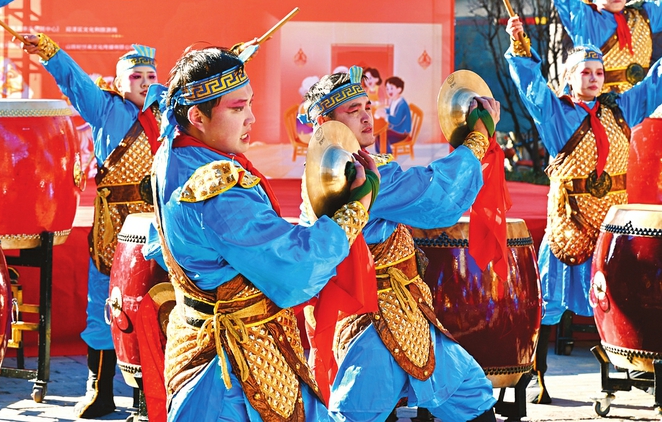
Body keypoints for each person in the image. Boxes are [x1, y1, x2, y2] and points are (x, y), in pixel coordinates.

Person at [151, 47, 373, 422]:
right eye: (238, 108)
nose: (251, 117)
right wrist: (355, 209)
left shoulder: (173, 154)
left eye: (250, 104)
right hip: (236, 368)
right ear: (196, 117)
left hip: (205, 347)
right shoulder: (216, 190)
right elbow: (296, 267)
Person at [300, 68, 499, 422]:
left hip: (392, 311)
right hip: (376, 320)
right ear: (325, 124)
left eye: (367, 107)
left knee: (469, 391)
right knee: (358, 413)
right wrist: (478, 138)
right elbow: (434, 195)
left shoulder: (321, 175)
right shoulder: (358, 174)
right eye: (353, 111)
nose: (366, 116)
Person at [505, 17, 662, 403]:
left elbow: (652, 85)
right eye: (585, 72)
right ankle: (536, 375)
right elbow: (531, 87)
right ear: (570, 77)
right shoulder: (556, 113)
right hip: (571, 224)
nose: (593, 78)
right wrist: (521, 46)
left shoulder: (619, 109)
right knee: (549, 304)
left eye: (598, 72)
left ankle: (626, 369)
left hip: (611, 227)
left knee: (620, 299)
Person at [19, 34, 160, 418]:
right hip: (112, 229)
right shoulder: (105, 108)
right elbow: (75, 81)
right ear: (118, 83)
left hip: (157, 227)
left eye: (151, 76)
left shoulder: (168, 114)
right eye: (135, 76)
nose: (145, 82)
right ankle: (99, 390)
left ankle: (149, 398)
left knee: (155, 306)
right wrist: (50, 51)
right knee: (104, 306)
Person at [380, 76, 411, 153]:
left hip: (402, 132)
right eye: (387, 89)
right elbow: (391, 111)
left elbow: (396, 120)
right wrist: (384, 110)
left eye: (391, 88)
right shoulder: (394, 100)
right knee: (380, 136)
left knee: (383, 137)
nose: (389, 91)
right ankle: (381, 154)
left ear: (399, 89)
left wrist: (385, 116)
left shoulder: (402, 104)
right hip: (396, 129)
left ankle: (388, 156)